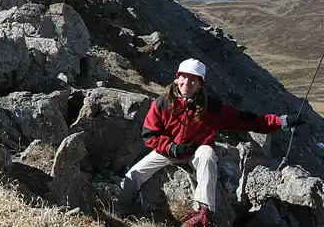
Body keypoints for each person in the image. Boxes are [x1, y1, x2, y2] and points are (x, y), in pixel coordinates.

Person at [115, 58, 305, 226]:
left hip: (194, 153)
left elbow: (246, 120)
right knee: (135, 174)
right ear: (177, 78)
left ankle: (202, 212)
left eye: (193, 79)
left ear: (200, 84)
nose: (187, 82)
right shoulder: (162, 103)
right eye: (184, 77)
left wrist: (281, 121)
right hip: (167, 152)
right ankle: (119, 211)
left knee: (207, 154)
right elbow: (150, 135)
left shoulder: (212, 107)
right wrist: (172, 148)